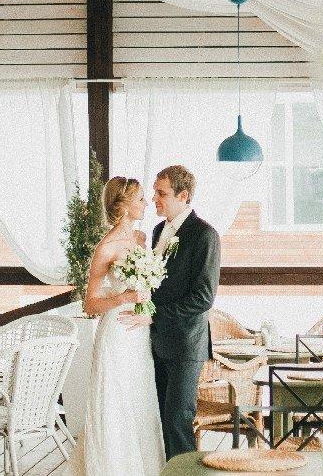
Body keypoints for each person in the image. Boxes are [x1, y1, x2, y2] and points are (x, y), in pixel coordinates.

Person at [120, 164, 222, 460]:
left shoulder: (205, 235)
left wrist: (153, 315)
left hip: (186, 344)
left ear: (183, 195)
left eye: (161, 193)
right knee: (160, 421)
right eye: (154, 192)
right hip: (156, 342)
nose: (154, 198)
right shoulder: (157, 231)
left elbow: (203, 298)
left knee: (178, 421)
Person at [68, 177, 166, 476]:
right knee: (115, 401)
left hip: (139, 332)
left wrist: (147, 306)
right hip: (116, 333)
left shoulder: (140, 238)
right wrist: (122, 298)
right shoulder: (106, 248)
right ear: (123, 206)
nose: (146, 203)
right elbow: (90, 304)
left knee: (140, 398)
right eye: (140, 199)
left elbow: (148, 287)